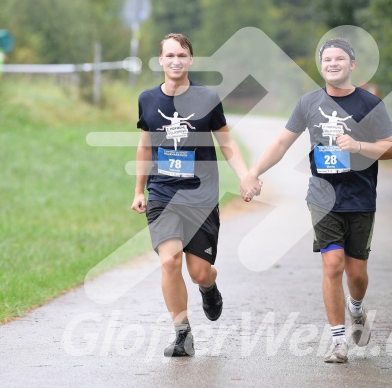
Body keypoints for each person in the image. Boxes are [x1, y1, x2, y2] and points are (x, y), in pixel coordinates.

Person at [240, 38, 392, 363]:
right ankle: (338, 341)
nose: (332, 64)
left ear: (352, 65)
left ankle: (356, 308)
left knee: (356, 275)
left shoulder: (369, 104)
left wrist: (357, 147)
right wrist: (253, 171)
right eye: (327, 60)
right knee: (332, 265)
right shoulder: (309, 103)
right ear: (321, 65)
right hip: (323, 198)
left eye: (339, 59)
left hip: (360, 198)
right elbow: (282, 143)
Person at [131, 33, 258, 357]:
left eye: (182, 55)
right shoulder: (147, 99)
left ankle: (208, 287)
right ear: (160, 60)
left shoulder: (207, 98)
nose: (175, 60)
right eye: (169, 55)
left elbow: (227, 143)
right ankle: (182, 333)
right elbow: (145, 146)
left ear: (190, 60)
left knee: (199, 271)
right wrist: (138, 190)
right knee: (170, 261)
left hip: (200, 196)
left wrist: (245, 176)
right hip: (163, 193)